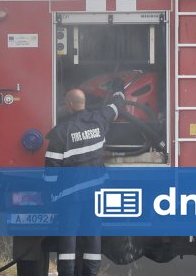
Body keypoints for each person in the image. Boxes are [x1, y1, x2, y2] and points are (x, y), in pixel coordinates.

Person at [44, 88, 126, 276]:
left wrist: (51, 194)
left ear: (69, 104)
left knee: (68, 234)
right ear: (84, 102)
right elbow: (114, 108)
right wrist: (120, 93)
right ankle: (91, 273)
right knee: (93, 233)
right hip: (96, 191)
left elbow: (50, 173)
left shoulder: (60, 132)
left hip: (70, 196)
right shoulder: (99, 120)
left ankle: (67, 273)